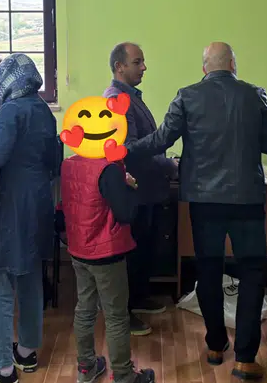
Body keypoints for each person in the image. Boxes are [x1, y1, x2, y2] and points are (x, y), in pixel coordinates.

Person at [125, 42, 267, 380]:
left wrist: (125, 151)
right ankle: (246, 358)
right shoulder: (255, 94)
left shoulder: (187, 96)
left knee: (208, 270)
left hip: (203, 200)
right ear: (233, 65)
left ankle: (215, 345)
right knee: (253, 273)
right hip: (247, 200)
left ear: (204, 68)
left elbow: (162, 139)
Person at [0, 54, 61, 383]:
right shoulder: (43, 110)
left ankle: (3, 369)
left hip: (10, 204)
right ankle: (26, 351)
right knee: (29, 275)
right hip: (38, 202)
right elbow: (54, 160)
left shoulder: (11, 111)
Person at [103, 42, 178, 336]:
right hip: (134, 189)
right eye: (137, 62)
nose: (144, 67)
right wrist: (168, 163)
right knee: (130, 253)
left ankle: (138, 298)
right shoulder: (116, 99)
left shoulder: (131, 97)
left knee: (142, 248)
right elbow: (129, 149)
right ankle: (124, 313)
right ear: (119, 66)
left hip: (146, 189)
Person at [61, 154, 156, 383]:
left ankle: (86, 368)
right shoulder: (109, 169)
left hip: (78, 247)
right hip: (106, 252)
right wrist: (130, 187)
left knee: (85, 309)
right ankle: (123, 375)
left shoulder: (69, 163)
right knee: (116, 316)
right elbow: (126, 214)